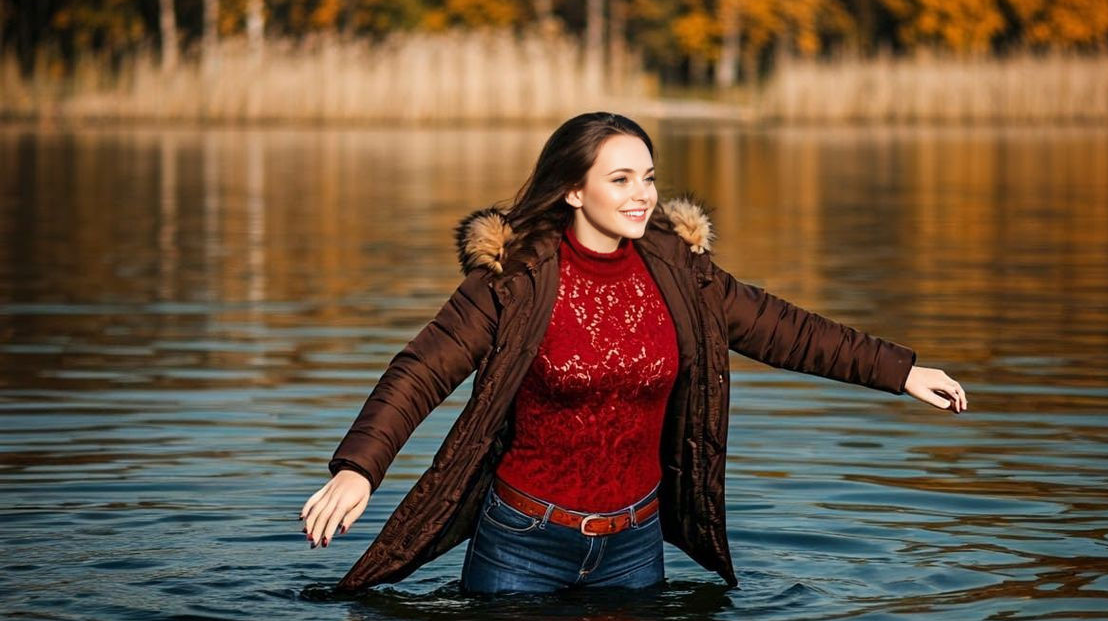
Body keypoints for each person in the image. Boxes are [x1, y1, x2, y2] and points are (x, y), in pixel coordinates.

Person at [299, 112, 967, 594]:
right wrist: (359, 468)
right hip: (522, 545)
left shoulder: (681, 272)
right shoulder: (516, 280)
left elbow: (784, 329)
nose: (643, 194)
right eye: (620, 179)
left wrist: (901, 370)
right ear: (572, 190)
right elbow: (420, 370)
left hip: (634, 548)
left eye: (647, 177)